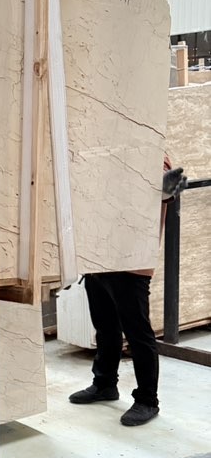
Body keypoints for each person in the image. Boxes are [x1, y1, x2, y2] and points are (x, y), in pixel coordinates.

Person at [68, 159, 185, 427]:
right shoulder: (105, 149)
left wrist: (165, 191)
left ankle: (147, 400)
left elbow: (160, 189)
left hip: (131, 259)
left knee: (137, 332)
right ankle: (104, 384)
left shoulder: (148, 147)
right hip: (99, 254)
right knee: (105, 326)